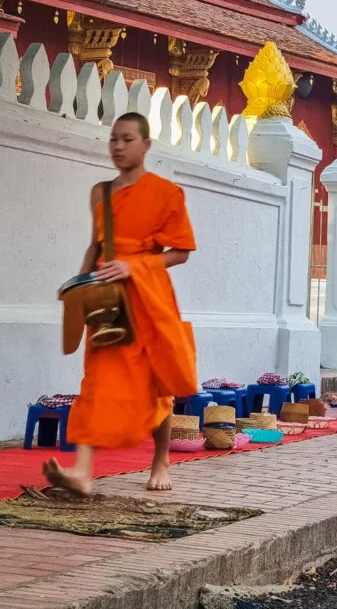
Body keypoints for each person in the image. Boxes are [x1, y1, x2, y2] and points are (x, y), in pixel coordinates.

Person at [44, 112, 198, 496]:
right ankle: (82, 471)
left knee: (154, 382)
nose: (117, 147)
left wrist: (134, 266)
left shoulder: (166, 193)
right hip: (106, 301)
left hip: (147, 299)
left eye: (127, 139)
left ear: (146, 144)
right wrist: (78, 286)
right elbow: (96, 245)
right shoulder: (101, 192)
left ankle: (160, 459)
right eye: (113, 139)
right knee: (96, 381)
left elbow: (180, 253)